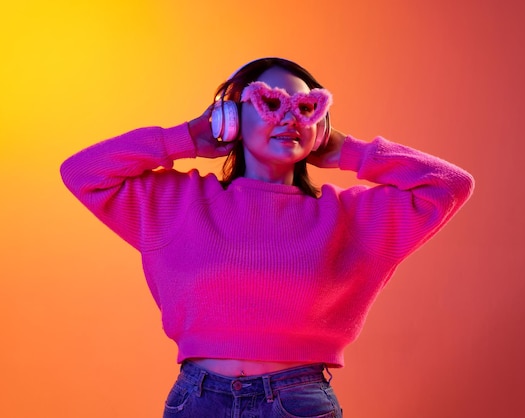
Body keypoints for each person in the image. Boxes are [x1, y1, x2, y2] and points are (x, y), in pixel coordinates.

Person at [60, 57, 474, 417]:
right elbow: (82, 172)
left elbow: (450, 185)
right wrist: (186, 136)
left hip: (298, 404)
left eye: (306, 108)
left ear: (321, 124)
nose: (290, 119)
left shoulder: (351, 218)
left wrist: (350, 151)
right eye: (271, 103)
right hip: (199, 402)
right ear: (232, 119)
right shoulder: (179, 203)